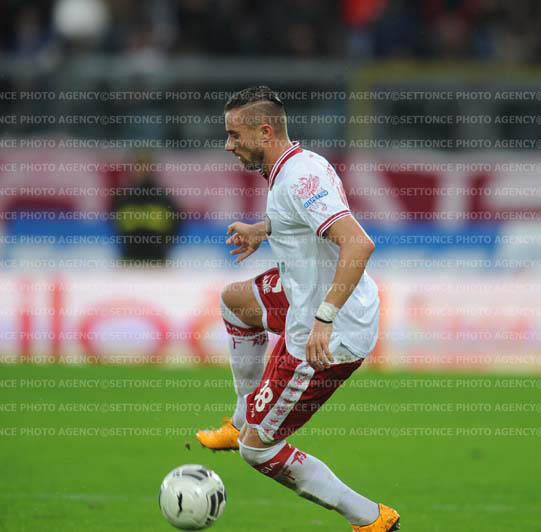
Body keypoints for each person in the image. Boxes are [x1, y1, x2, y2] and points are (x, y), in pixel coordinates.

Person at [196, 86, 399, 532]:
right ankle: (241, 417)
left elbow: (359, 244)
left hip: (330, 331)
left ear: (265, 133)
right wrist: (264, 229)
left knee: (258, 450)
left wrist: (325, 318)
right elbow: (304, 220)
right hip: (304, 295)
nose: (228, 145)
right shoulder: (297, 165)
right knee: (235, 303)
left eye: (235, 135)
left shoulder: (298, 177)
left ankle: (371, 518)